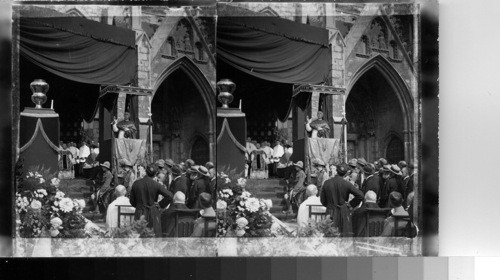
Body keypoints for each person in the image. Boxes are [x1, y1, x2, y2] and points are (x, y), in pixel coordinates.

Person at [320, 163, 364, 236]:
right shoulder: (347, 184)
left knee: (329, 235)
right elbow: (360, 195)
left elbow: (323, 200)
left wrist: (329, 205)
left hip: (330, 211)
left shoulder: (327, 183)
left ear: (336, 171)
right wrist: (350, 204)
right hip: (343, 211)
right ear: (346, 173)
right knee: (344, 235)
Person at [130, 164, 173, 237]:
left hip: (140, 212)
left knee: (138, 236)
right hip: (152, 212)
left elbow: (132, 201)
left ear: (146, 172)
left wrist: (139, 205)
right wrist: (160, 204)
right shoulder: (156, 184)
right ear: (155, 174)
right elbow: (170, 196)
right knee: (153, 236)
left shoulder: (136, 183)